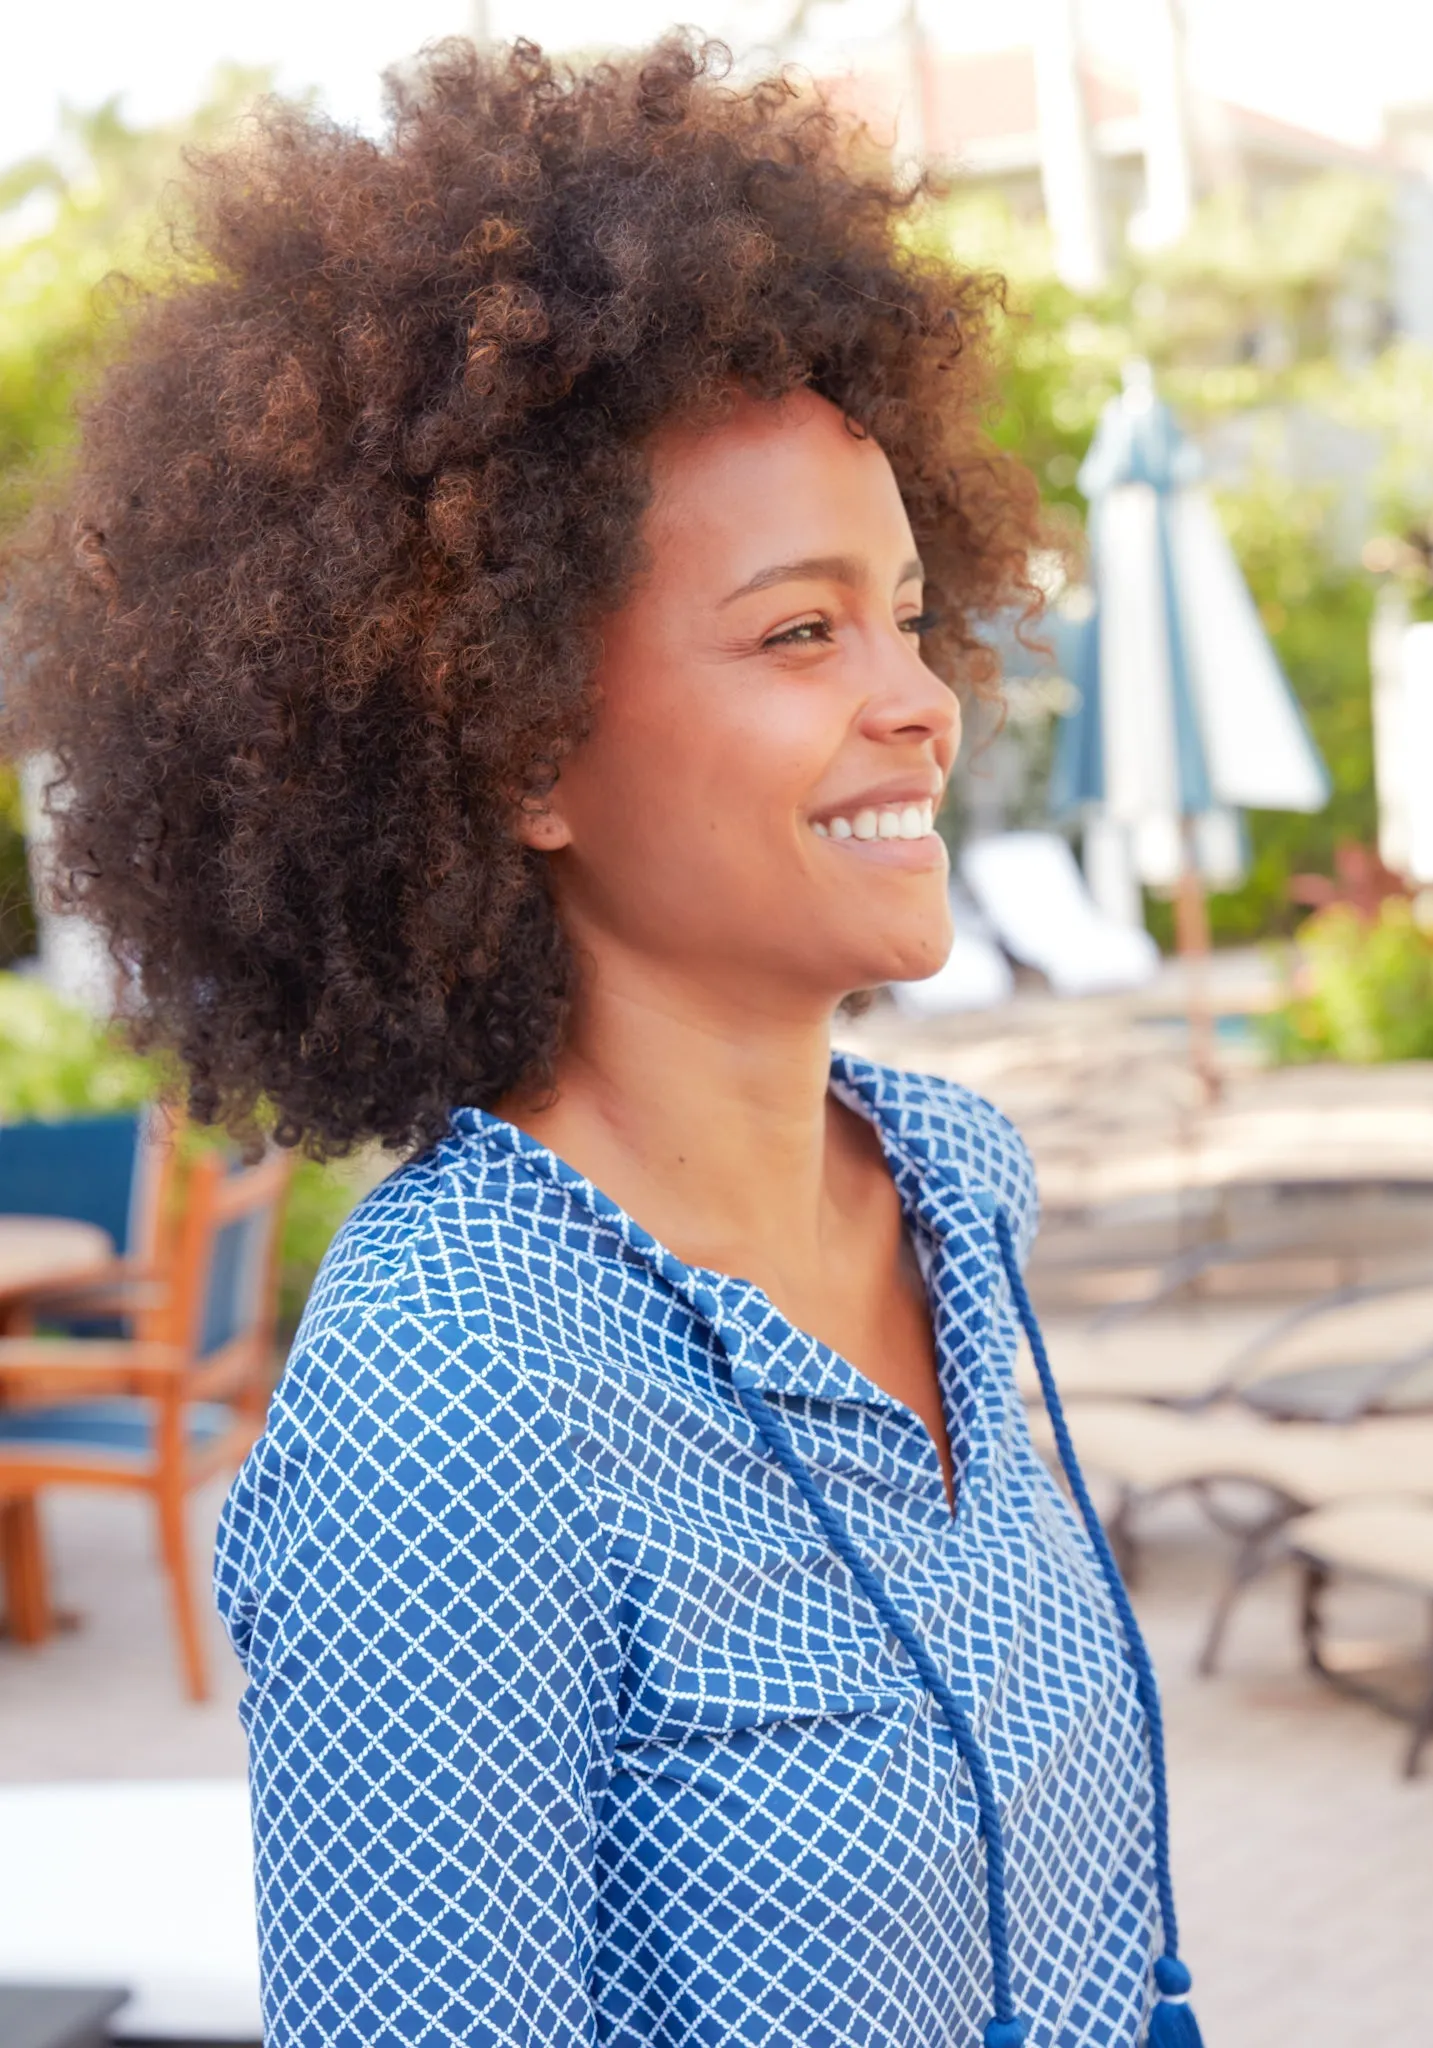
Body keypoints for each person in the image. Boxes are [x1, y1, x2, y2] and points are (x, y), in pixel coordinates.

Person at [2, 38, 1202, 2048]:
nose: (918, 698)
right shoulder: (451, 1399)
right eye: (799, 629)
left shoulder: (953, 1187)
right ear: (522, 739)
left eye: (908, 610)